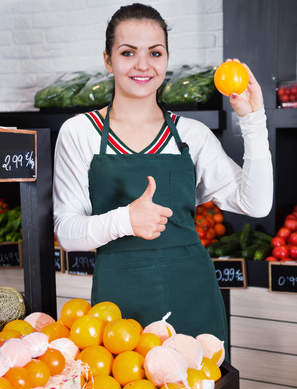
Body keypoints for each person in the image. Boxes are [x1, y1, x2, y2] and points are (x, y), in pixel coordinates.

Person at [53, 3, 272, 356]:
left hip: (193, 296)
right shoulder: (80, 133)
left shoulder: (192, 135)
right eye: (128, 53)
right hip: (119, 311)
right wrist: (125, 220)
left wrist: (254, 121)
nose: (143, 65)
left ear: (166, 59)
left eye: (155, 52)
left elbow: (256, 203)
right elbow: (66, 232)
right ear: (108, 60)